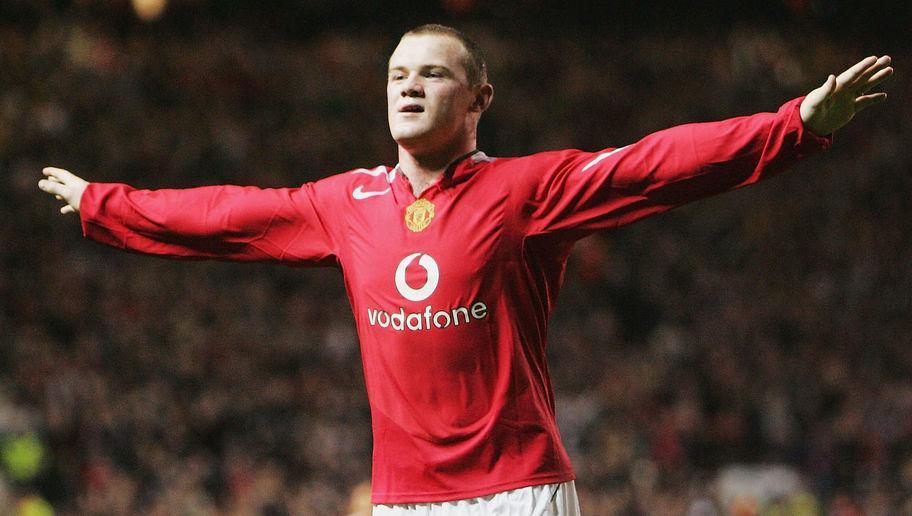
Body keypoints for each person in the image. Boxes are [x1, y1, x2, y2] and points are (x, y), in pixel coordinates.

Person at [38, 24, 892, 516]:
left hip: (516, 492)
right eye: (398, 74)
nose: (408, 86)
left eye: (433, 74)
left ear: (480, 99)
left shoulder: (527, 189)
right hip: (401, 500)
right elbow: (226, 214)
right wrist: (104, 205)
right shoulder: (347, 201)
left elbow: (655, 166)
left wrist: (797, 123)